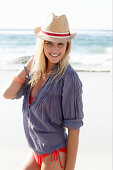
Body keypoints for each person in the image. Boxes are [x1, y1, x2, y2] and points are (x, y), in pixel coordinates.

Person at [3, 13, 84, 170]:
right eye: (49, 43)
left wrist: (70, 169)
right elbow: (7, 94)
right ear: (41, 44)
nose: (55, 49)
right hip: (35, 151)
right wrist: (30, 64)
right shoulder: (34, 72)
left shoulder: (69, 78)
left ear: (67, 46)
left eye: (60, 44)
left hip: (55, 154)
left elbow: (74, 129)